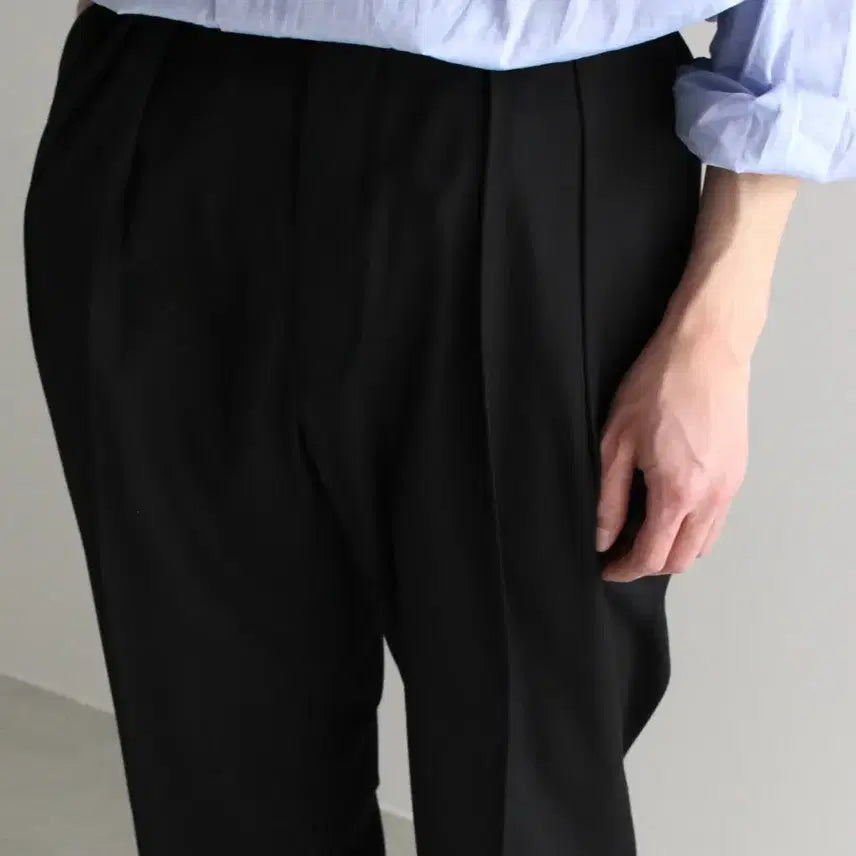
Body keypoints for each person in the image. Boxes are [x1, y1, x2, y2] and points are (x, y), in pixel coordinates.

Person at [23, 1, 854, 854]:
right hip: (162, 105)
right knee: (219, 790)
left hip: (530, 145)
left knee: (530, 804)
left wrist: (720, 325)